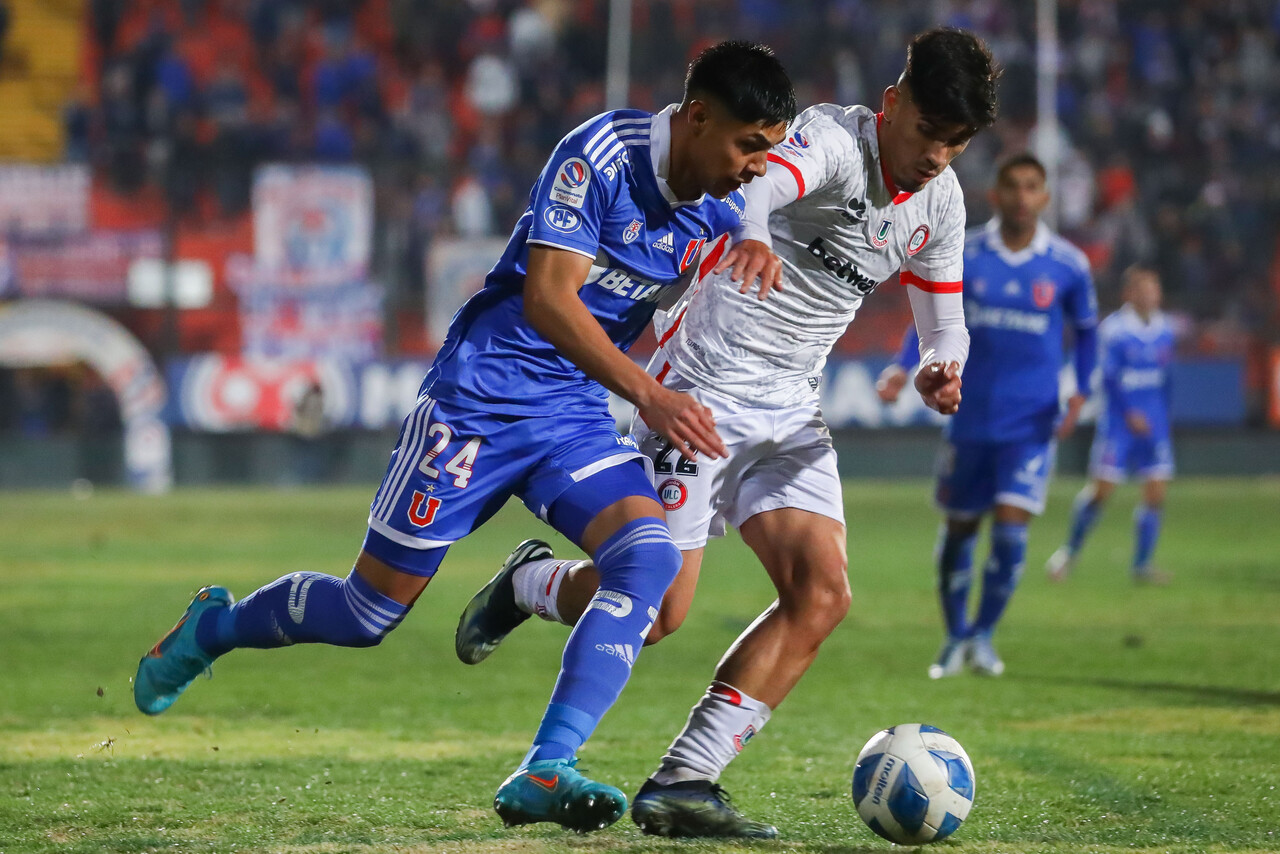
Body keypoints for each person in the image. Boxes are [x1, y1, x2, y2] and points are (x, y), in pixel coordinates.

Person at [132, 41, 796, 834]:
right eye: (748, 145)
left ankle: (547, 766)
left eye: (770, 149)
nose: (757, 166)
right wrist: (650, 392)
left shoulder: (725, 205)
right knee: (366, 614)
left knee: (646, 559)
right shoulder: (599, 157)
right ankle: (217, 624)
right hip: (476, 404)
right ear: (696, 117)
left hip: (572, 416)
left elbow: (731, 249)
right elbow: (551, 299)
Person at [456, 28, 998, 838]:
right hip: (700, 387)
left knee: (822, 594)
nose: (935, 157)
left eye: (955, 145)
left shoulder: (941, 202)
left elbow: (943, 320)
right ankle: (529, 584)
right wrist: (748, 230)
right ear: (892, 105)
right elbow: (758, 188)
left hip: (789, 410)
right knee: (663, 611)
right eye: (926, 132)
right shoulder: (833, 142)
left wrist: (940, 363)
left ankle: (686, 780)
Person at [878, 153, 1099, 679]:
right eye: (1012, 187)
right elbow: (932, 316)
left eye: (1031, 187)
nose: (1022, 196)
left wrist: (1079, 390)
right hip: (970, 416)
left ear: (1044, 197)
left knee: (1009, 532)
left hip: (1031, 423)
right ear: (995, 195)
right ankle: (954, 637)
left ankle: (983, 636)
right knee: (959, 529)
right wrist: (900, 365)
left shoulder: (1068, 264)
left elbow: (1088, 332)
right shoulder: (966, 252)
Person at [1045, 266, 1174, 584]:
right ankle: (1068, 553)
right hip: (1119, 424)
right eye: (1143, 289)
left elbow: (1165, 379)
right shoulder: (1114, 331)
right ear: (1128, 294)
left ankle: (1142, 565)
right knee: (1101, 491)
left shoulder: (1165, 330)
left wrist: (1162, 417)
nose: (1150, 295)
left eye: (1154, 289)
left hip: (1154, 424)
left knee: (1156, 492)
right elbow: (1110, 379)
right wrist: (1130, 413)